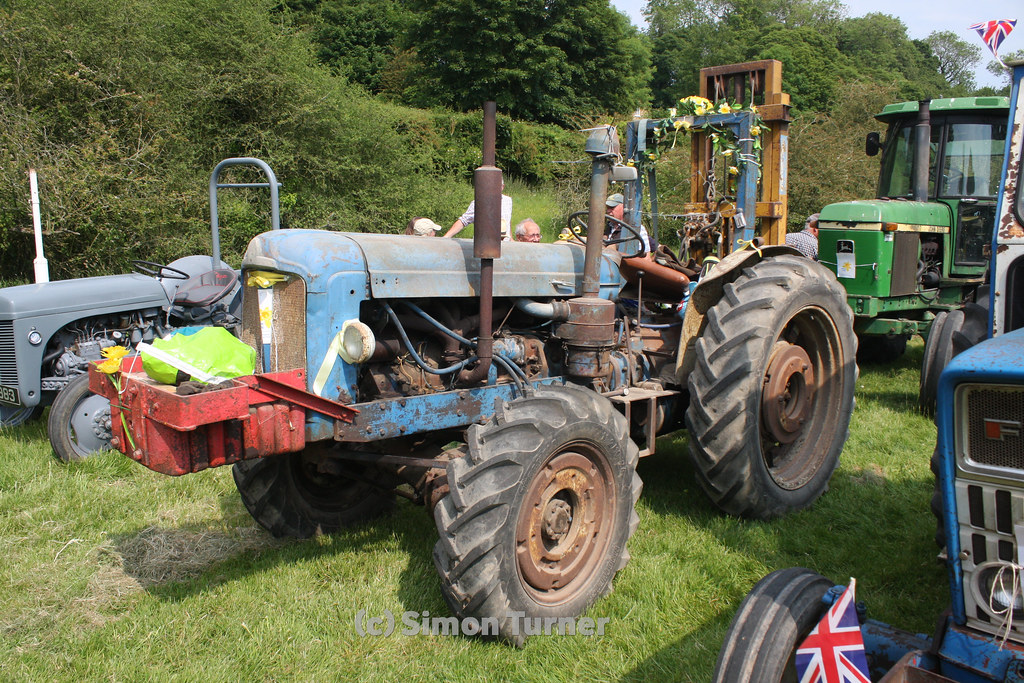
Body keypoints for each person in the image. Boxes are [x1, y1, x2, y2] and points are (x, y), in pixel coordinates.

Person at [443, 182, 513, 240]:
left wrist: (511, 239)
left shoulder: (508, 201)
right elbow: (463, 220)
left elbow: (507, 221)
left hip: (505, 245)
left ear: (502, 187)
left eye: (496, 186)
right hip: (484, 245)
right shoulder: (479, 202)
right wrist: (446, 237)